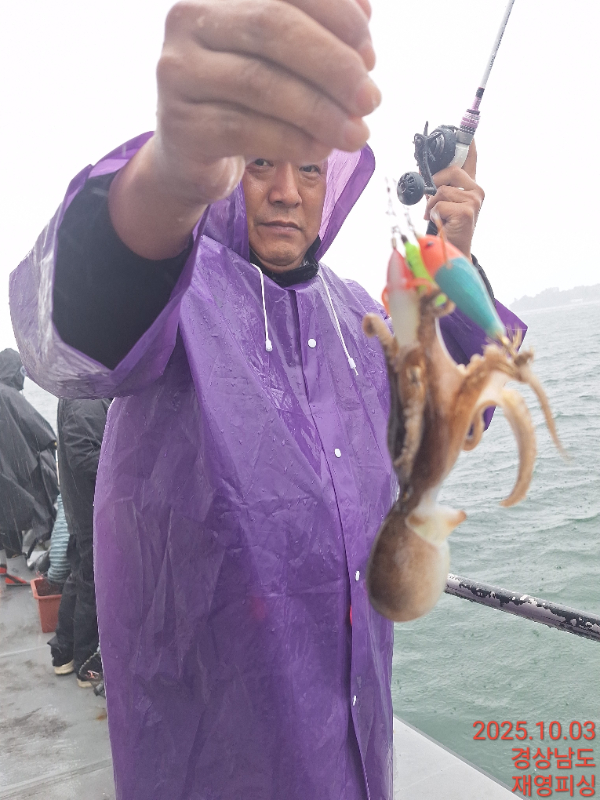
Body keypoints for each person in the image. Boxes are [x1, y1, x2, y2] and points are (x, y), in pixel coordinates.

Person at [9, 1, 524, 797]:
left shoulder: (355, 318)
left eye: (310, 168)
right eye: (259, 163)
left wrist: (451, 262)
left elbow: (444, 426)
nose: (287, 191)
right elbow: (67, 334)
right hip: (211, 757)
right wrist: (170, 171)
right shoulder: (176, 291)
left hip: (355, 752)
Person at [48, 398, 110, 685]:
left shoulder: (79, 393)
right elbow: (83, 454)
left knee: (80, 578)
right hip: (90, 510)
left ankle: (63, 652)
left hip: (81, 507)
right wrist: (126, 466)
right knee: (91, 584)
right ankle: (86, 664)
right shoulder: (85, 397)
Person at [0, 348, 58, 586]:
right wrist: (53, 443)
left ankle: (5, 566)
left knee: (5, 517)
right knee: (30, 510)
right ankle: (17, 570)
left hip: (6, 471)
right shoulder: (8, 394)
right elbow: (38, 428)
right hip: (17, 470)